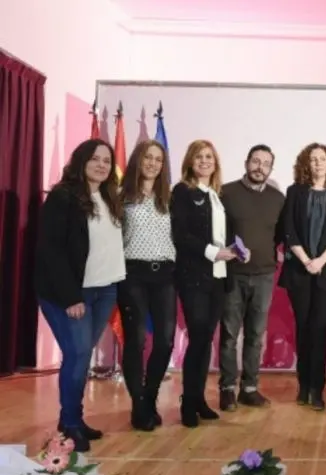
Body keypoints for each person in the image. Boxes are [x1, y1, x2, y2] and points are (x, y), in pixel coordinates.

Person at [35, 138, 125, 451]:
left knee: (82, 356)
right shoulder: (63, 196)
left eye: (106, 160)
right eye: (95, 159)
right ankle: (71, 423)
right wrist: (71, 297)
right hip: (72, 294)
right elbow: (52, 251)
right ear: (81, 161)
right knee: (77, 355)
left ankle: (72, 419)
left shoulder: (110, 197)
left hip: (105, 289)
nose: (101, 165)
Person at [171, 139, 238, 428]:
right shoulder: (182, 191)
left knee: (206, 338)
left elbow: (223, 235)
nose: (204, 161)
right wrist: (212, 252)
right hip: (194, 276)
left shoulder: (218, 195)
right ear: (190, 161)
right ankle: (188, 401)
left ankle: (198, 399)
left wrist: (236, 250)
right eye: (199, 156)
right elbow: (180, 234)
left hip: (219, 276)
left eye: (209, 156)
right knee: (198, 337)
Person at [278, 143, 326, 411]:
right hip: (299, 270)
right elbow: (289, 230)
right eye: (313, 159)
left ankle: (317, 388)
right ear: (305, 164)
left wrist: (320, 261)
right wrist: (306, 259)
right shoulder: (295, 192)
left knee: (320, 328)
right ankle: (304, 385)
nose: (318, 163)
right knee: (303, 327)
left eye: (322, 159)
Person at [218, 145, 285, 411]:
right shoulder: (226, 193)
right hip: (233, 274)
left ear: (271, 169)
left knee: (256, 335)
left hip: (264, 275)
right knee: (229, 335)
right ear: (246, 163)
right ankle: (226, 389)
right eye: (256, 161)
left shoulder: (278, 199)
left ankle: (249, 388)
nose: (260, 167)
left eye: (266, 164)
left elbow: (279, 235)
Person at [117, 139, 177, 431]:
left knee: (165, 340)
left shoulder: (170, 198)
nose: (153, 163)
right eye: (148, 157)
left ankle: (149, 398)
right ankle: (139, 405)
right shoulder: (121, 197)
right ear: (138, 160)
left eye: (158, 159)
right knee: (137, 340)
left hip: (165, 274)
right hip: (133, 274)